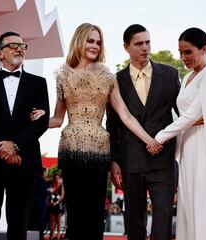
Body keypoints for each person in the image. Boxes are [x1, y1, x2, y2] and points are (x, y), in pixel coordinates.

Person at [32, 23, 160, 240]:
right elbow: (58, 119)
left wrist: (150, 140)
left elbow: (125, 115)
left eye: (98, 42)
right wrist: (41, 118)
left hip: (99, 150)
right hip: (71, 149)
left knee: (93, 215)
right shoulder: (63, 75)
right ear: (79, 41)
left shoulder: (106, 75)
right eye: (90, 41)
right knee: (74, 215)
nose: (95, 46)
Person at [147, 27, 206, 240]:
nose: (183, 57)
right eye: (180, 52)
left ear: (204, 49)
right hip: (187, 147)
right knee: (189, 201)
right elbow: (183, 115)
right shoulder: (186, 78)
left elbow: (191, 114)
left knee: (205, 200)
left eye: (188, 52)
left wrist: (159, 137)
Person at [0, 31, 50, 240]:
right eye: (13, 45)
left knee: (19, 222)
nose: (19, 49)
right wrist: (1, 148)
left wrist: (15, 145)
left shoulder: (38, 83)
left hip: (24, 161)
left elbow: (42, 121)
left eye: (23, 46)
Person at [106, 24, 180, 240]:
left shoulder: (170, 74)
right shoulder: (115, 80)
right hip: (131, 161)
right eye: (139, 43)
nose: (145, 47)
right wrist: (113, 160)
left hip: (163, 160)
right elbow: (113, 125)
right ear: (126, 47)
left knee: (164, 220)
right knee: (134, 223)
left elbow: (182, 113)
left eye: (148, 42)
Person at [47, 172, 65, 240]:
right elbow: (49, 194)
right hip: (52, 204)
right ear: (54, 178)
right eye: (55, 177)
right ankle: (52, 233)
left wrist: (57, 202)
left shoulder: (61, 185)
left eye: (58, 177)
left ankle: (58, 234)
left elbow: (62, 196)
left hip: (59, 204)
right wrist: (51, 202)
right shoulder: (51, 184)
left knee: (58, 219)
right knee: (52, 219)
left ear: (60, 178)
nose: (57, 179)